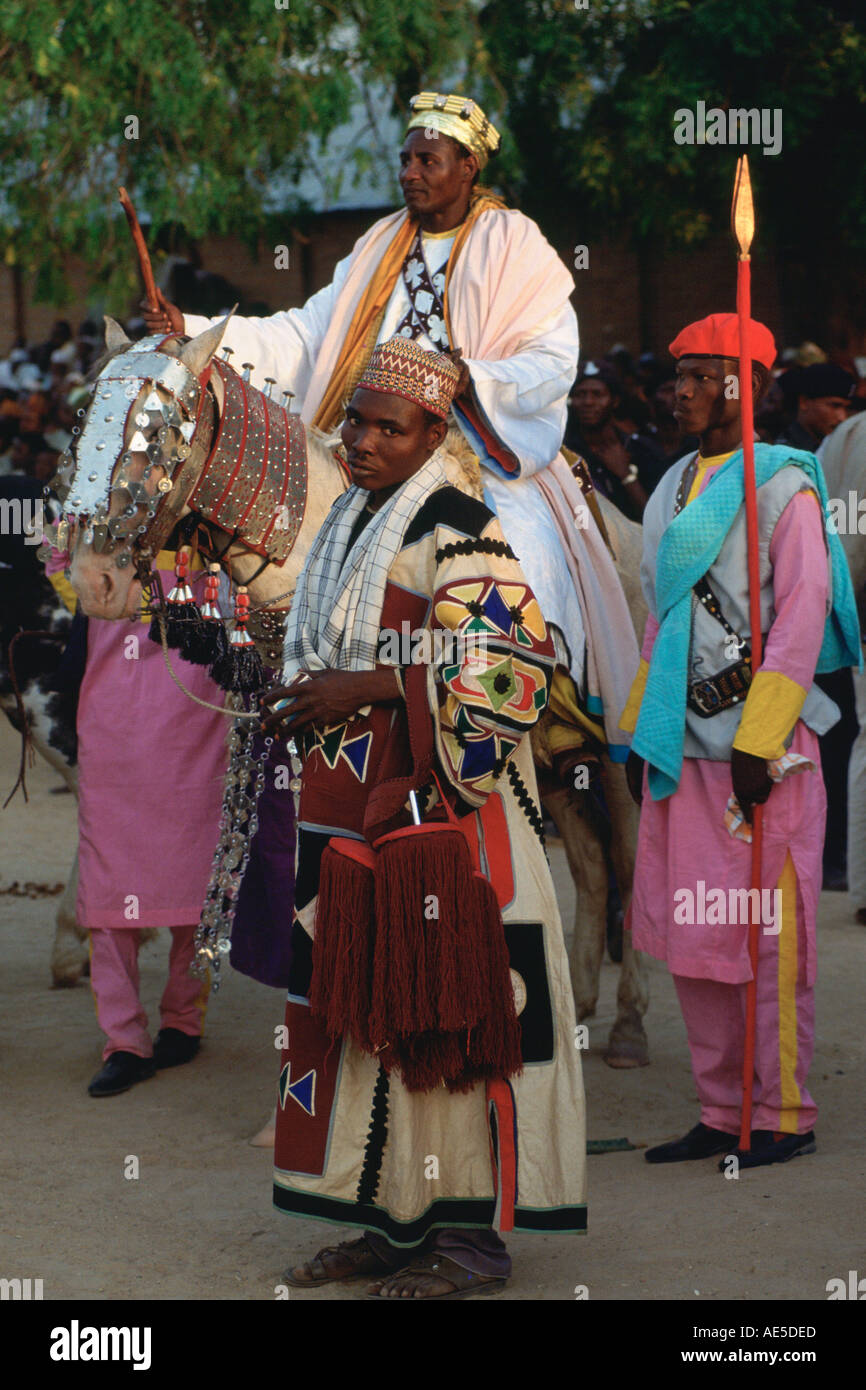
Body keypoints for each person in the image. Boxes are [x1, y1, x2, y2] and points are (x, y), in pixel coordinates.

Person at [261, 338, 586, 1299]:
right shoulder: (349, 520)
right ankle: (383, 1221)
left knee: (439, 1021)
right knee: (354, 1015)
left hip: (445, 827)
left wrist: (363, 683)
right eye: (354, 421)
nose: (359, 440)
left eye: (384, 427)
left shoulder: (460, 528)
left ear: (432, 433)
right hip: (345, 822)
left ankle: (465, 1242)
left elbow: (515, 669)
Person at [621, 313, 860, 1170]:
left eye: (700, 376)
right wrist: (641, 737)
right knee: (700, 935)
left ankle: (783, 1112)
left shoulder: (786, 488)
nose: (678, 391)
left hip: (764, 758)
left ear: (744, 385)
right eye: (675, 376)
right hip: (681, 750)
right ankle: (722, 1112)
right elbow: (659, 617)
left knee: (767, 937)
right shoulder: (670, 484)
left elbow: (800, 617)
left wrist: (760, 741)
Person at [73, 547, 230, 1096]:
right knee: (109, 891)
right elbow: (71, 616)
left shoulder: (213, 524)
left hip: (199, 723)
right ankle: (123, 1040)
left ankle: (182, 1022)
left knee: (195, 878)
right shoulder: (88, 530)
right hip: (113, 729)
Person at [566, 365, 668, 520]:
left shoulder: (641, 449)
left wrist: (626, 475)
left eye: (598, 394)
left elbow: (655, 519)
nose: (588, 402)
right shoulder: (563, 451)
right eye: (580, 394)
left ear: (615, 401)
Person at [776, 362, 855, 453]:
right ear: (804, 402)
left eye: (847, 408)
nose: (842, 417)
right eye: (834, 406)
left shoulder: (836, 448)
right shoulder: (785, 452)